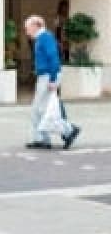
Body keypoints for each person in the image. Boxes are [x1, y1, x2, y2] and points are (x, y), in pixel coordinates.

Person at [23, 15, 80, 150]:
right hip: (45, 75)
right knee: (40, 109)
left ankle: (68, 130)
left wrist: (53, 79)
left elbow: (53, 57)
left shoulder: (45, 38)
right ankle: (42, 138)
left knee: (42, 109)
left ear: (36, 26)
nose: (26, 31)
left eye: (27, 28)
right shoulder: (41, 39)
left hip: (48, 76)